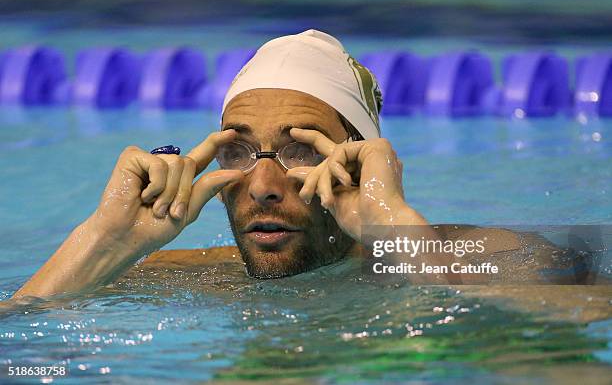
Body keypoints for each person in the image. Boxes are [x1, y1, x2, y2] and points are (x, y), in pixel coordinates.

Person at [8, 30, 566, 301]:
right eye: (237, 151)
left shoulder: (504, 258)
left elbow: (573, 361)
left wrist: (391, 230)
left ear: (357, 155)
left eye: (301, 148)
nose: (264, 186)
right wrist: (107, 243)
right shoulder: (185, 280)